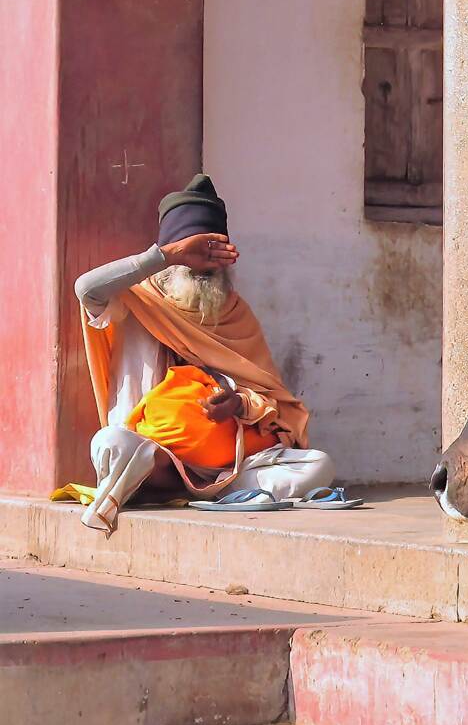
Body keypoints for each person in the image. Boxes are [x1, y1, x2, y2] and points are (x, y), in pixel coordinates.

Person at [73, 174, 334, 533]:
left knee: (318, 464)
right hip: (151, 454)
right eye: (193, 255)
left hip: (223, 462)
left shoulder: (234, 314)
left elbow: (273, 401)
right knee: (109, 441)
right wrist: (165, 255)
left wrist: (237, 404)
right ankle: (154, 485)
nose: (201, 269)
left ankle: (217, 493)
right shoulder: (134, 300)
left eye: (211, 258)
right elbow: (86, 288)